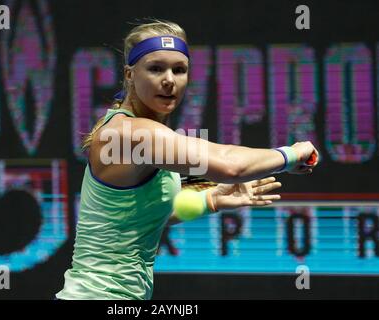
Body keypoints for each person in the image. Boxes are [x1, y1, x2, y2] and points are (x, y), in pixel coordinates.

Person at [56, 19, 319, 300]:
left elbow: (142, 217)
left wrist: (211, 200)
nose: (169, 79)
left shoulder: (133, 130)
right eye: (156, 68)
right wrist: (292, 154)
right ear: (130, 74)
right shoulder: (130, 133)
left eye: (179, 70)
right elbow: (230, 164)